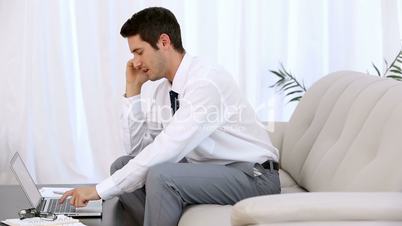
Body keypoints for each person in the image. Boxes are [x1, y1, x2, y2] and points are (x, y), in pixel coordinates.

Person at [59, 6, 280, 226]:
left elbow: (168, 147)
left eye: (139, 52)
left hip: (253, 177)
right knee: (121, 165)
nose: (135, 62)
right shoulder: (161, 89)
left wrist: (100, 190)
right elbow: (136, 151)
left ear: (164, 42)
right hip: (209, 171)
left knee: (161, 176)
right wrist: (132, 92)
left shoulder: (205, 81)